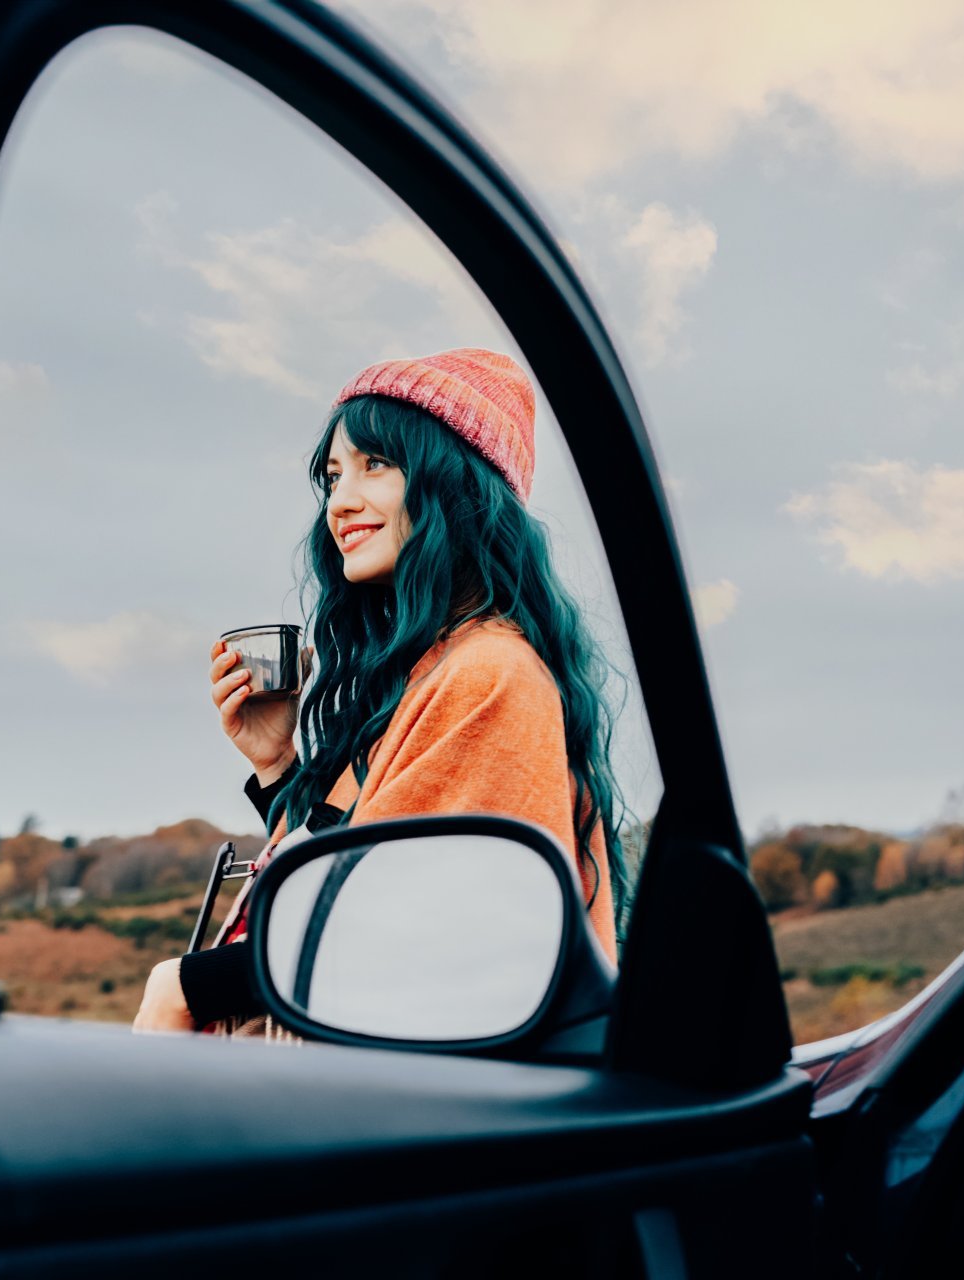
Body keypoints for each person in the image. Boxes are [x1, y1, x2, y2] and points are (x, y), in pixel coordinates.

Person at [133, 347, 626, 1034]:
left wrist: (186, 987)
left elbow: (408, 934)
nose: (342, 502)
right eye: (333, 476)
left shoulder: (490, 675)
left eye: (376, 465)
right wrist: (279, 766)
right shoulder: (427, 675)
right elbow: (345, 876)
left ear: (456, 486)